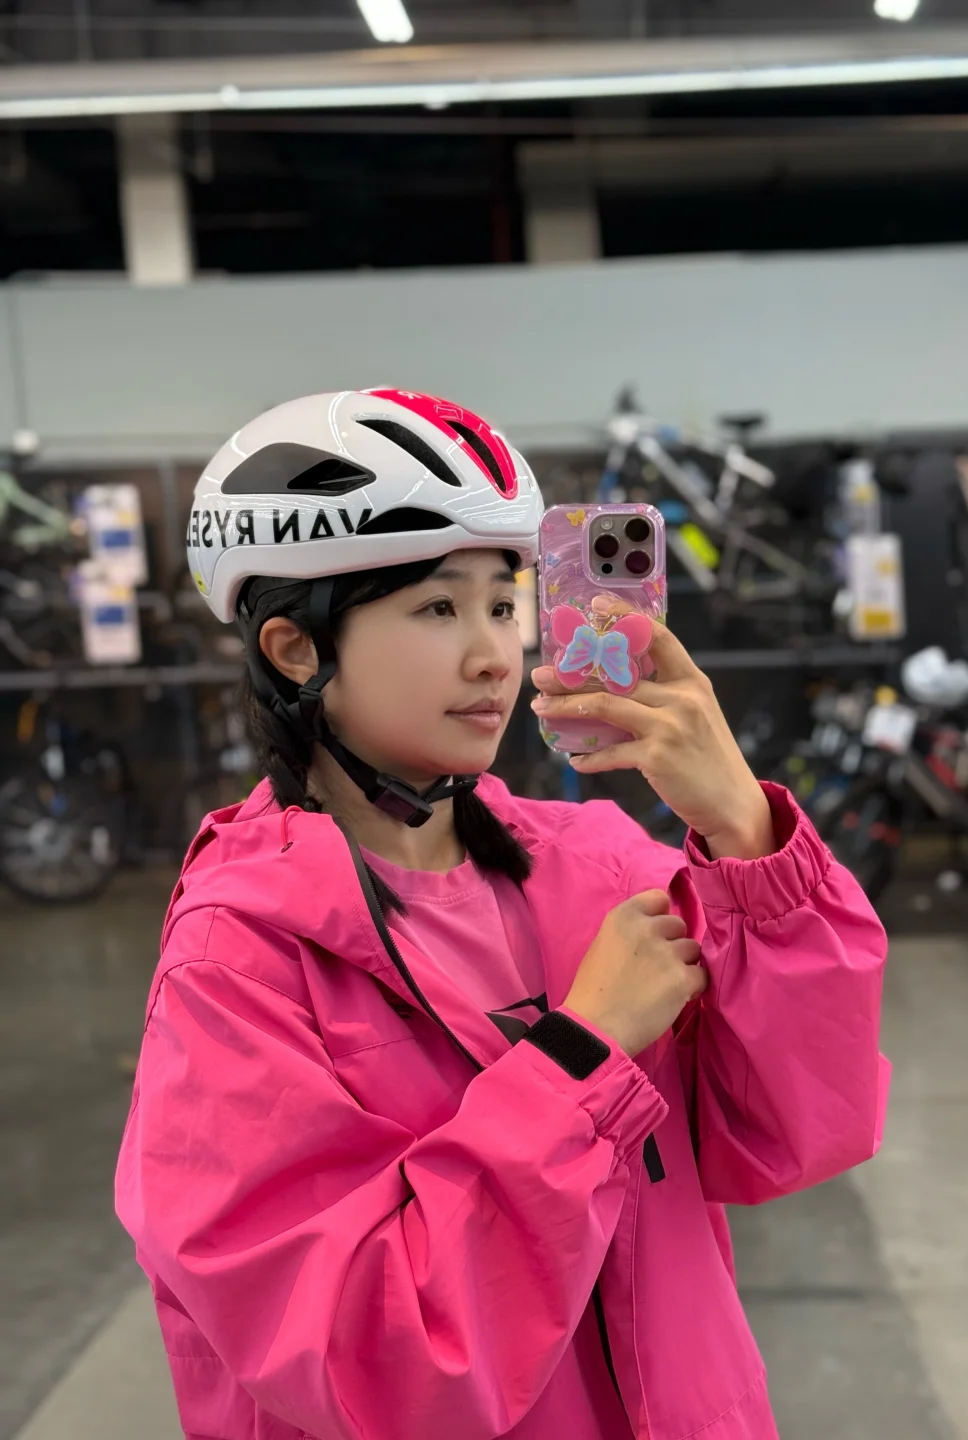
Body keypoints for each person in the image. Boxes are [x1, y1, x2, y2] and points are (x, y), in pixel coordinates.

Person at [116, 389, 889, 1440]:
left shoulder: (601, 869)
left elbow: (801, 1129)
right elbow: (373, 1364)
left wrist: (747, 835)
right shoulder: (237, 965)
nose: (494, 655)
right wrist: (583, 1054)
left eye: (501, 602)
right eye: (438, 609)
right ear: (297, 650)